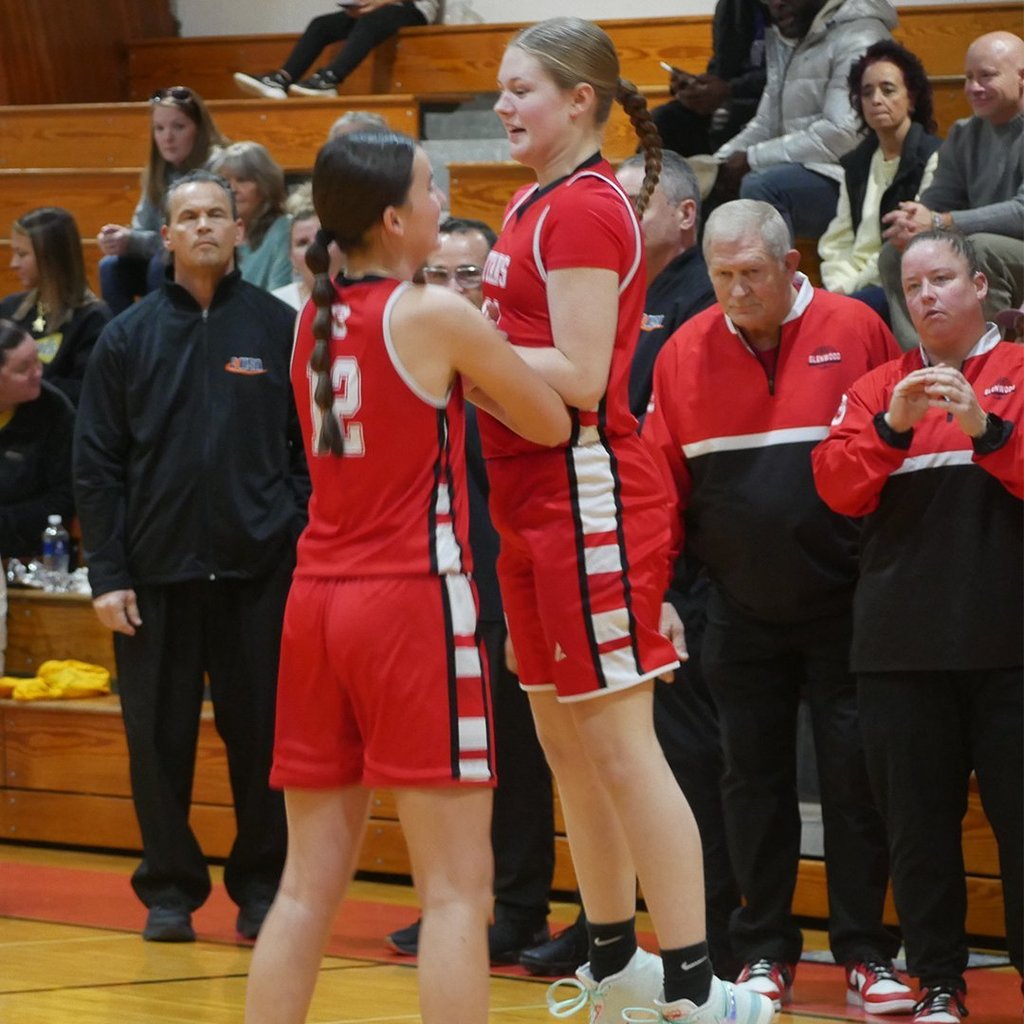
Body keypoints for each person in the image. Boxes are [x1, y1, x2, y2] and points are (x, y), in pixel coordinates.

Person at [479, 18, 774, 1024]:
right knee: (566, 745)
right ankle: (615, 965)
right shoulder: (531, 199)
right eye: (499, 87)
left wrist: (460, 350)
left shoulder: (584, 206)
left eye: (520, 88)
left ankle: (696, 986)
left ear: (579, 101)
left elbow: (578, 373)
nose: (502, 105)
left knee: (621, 747)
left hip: (584, 491)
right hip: (522, 495)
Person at [242, 130, 570, 1024]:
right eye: (431, 191)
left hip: (316, 602)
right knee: (458, 893)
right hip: (411, 602)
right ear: (393, 219)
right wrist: (487, 370)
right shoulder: (433, 314)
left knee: (305, 888)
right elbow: (549, 421)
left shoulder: (311, 314)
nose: (440, 204)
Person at [644, 199, 912, 1016]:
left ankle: (866, 953)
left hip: (849, 603)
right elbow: (657, 486)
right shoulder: (683, 352)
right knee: (751, 785)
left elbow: (895, 452)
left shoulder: (856, 328)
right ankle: (763, 950)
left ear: (792, 265)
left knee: (857, 781)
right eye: (722, 274)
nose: (736, 290)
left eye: (752, 273)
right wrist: (658, 591)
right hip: (737, 605)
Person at [74, 170, 307, 945]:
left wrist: (291, 532)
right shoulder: (126, 337)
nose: (203, 225)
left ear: (240, 232)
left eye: (217, 215)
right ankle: (169, 890)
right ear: (166, 236)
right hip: (155, 578)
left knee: (263, 742)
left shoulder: (279, 328)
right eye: (189, 216)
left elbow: (309, 451)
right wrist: (108, 575)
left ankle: (263, 886)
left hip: (260, 577)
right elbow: (96, 466)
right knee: (157, 741)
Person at [812, 229, 1023, 1024]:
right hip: (900, 649)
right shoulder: (877, 389)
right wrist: (891, 430)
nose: (927, 295)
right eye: (913, 285)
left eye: (942, 278)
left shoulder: (1019, 371)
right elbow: (835, 488)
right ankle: (938, 980)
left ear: (980, 285)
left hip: (1011, 647)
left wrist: (988, 430)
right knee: (918, 832)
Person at [387, 216, 556, 965]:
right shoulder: (415, 364)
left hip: (501, 594)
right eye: (439, 275)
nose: (453, 288)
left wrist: (523, 607)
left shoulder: (513, 367)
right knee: (443, 767)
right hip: (426, 588)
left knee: (514, 764)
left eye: (468, 274)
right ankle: (453, 906)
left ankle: (520, 911)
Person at [879, 31, 1024, 349]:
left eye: (986, 76)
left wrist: (940, 222)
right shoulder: (963, 133)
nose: (973, 87)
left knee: (981, 249)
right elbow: (937, 202)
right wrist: (913, 222)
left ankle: (987, 363)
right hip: (982, 244)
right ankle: (923, 360)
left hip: (1005, 250)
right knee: (897, 252)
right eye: (968, 77)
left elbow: (1021, 213)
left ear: (1022, 78)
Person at [713, 0, 896, 240]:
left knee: (761, 186)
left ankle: (771, 266)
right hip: (806, 169)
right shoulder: (795, 39)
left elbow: (844, 133)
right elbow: (765, 124)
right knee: (709, 187)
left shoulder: (862, 37)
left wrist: (752, 159)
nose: (776, 3)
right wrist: (717, 163)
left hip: (858, 181)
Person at [818, 40, 941, 322]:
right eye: (867, 92)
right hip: (851, 286)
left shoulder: (933, 156)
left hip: (899, 282)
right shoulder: (856, 163)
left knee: (839, 318)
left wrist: (849, 290)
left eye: (888, 90)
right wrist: (838, 285)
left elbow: (903, 245)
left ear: (911, 98)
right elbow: (837, 240)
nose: (876, 100)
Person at [97, 86, 227, 314]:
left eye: (178, 127)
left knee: (162, 264)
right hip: (164, 253)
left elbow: (190, 237)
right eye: (159, 128)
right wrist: (119, 240)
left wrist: (135, 241)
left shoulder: (220, 165)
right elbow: (141, 230)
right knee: (110, 267)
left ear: (199, 129)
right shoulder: (158, 172)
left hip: (209, 255)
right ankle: (126, 334)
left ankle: (165, 331)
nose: (167, 137)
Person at [1, 207, 111, 405]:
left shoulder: (93, 319)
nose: (13, 263)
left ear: (50, 258)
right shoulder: (10, 308)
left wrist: (23, 383)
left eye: (22, 254)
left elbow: (88, 393)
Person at [233, 1, 439, 100]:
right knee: (321, 25)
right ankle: (281, 80)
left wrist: (379, 2)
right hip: (379, 9)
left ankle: (329, 80)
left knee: (370, 21)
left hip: (414, 9)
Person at [652, 0, 769, 158]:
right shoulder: (731, 6)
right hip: (731, 96)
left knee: (728, 120)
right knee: (666, 118)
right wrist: (697, 86)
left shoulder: (791, 8)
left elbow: (789, 73)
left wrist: (729, 89)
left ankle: (714, 170)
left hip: (770, 99)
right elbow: (721, 66)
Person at [0, 319, 74, 561]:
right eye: (23, 368)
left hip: (32, 552)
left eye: (38, 360)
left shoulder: (54, 409)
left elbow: (65, 496)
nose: (38, 373)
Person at [207, 142, 293, 293]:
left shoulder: (284, 229)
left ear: (265, 184)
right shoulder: (213, 232)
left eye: (242, 180)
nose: (232, 189)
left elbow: (279, 298)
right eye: (224, 182)